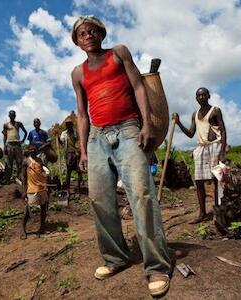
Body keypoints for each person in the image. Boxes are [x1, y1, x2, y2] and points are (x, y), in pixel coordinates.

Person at [71, 15, 172, 296]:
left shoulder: (119, 53)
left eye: (92, 31)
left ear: (101, 33)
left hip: (128, 129)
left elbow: (139, 86)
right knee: (100, 199)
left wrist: (147, 124)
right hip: (96, 138)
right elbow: (82, 114)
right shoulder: (77, 73)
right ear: (77, 41)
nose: (88, 35)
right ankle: (117, 257)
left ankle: (157, 266)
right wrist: (82, 149)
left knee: (141, 194)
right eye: (82, 33)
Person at [173, 87, 227, 223]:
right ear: (196, 98)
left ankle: (218, 212)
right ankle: (202, 213)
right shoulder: (195, 114)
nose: (201, 97)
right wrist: (178, 122)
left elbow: (223, 130)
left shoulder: (215, 110)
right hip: (201, 148)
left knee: (217, 181)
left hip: (215, 145)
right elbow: (191, 134)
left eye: (204, 95)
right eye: (198, 95)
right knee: (198, 181)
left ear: (208, 96)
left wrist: (222, 152)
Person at [20, 144, 49, 240]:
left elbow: (43, 172)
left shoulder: (40, 160)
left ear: (37, 151)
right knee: (28, 210)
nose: (33, 150)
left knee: (44, 208)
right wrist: (24, 191)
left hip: (42, 188)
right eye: (31, 149)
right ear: (29, 150)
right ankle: (23, 229)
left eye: (35, 149)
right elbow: (24, 177)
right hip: (32, 189)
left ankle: (42, 227)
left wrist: (46, 181)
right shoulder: (26, 161)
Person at [59, 118, 82, 197]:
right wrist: (57, 138)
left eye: (69, 124)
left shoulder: (75, 132)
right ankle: (68, 189)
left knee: (79, 171)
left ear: (72, 125)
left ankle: (78, 188)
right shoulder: (64, 133)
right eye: (67, 124)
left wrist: (78, 151)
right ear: (66, 125)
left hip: (76, 153)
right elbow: (61, 142)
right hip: (68, 153)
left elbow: (78, 141)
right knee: (68, 171)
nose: (68, 125)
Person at [3, 110, 27, 182]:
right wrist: (4, 146)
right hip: (9, 145)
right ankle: (7, 179)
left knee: (19, 162)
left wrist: (23, 140)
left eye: (13, 115)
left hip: (17, 145)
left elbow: (25, 132)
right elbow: (4, 136)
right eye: (10, 115)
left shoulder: (18, 124)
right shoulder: (6, 125)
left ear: (15, 115)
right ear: (9, 116)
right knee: (8, 163)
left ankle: (19, 177)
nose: (12, 116)